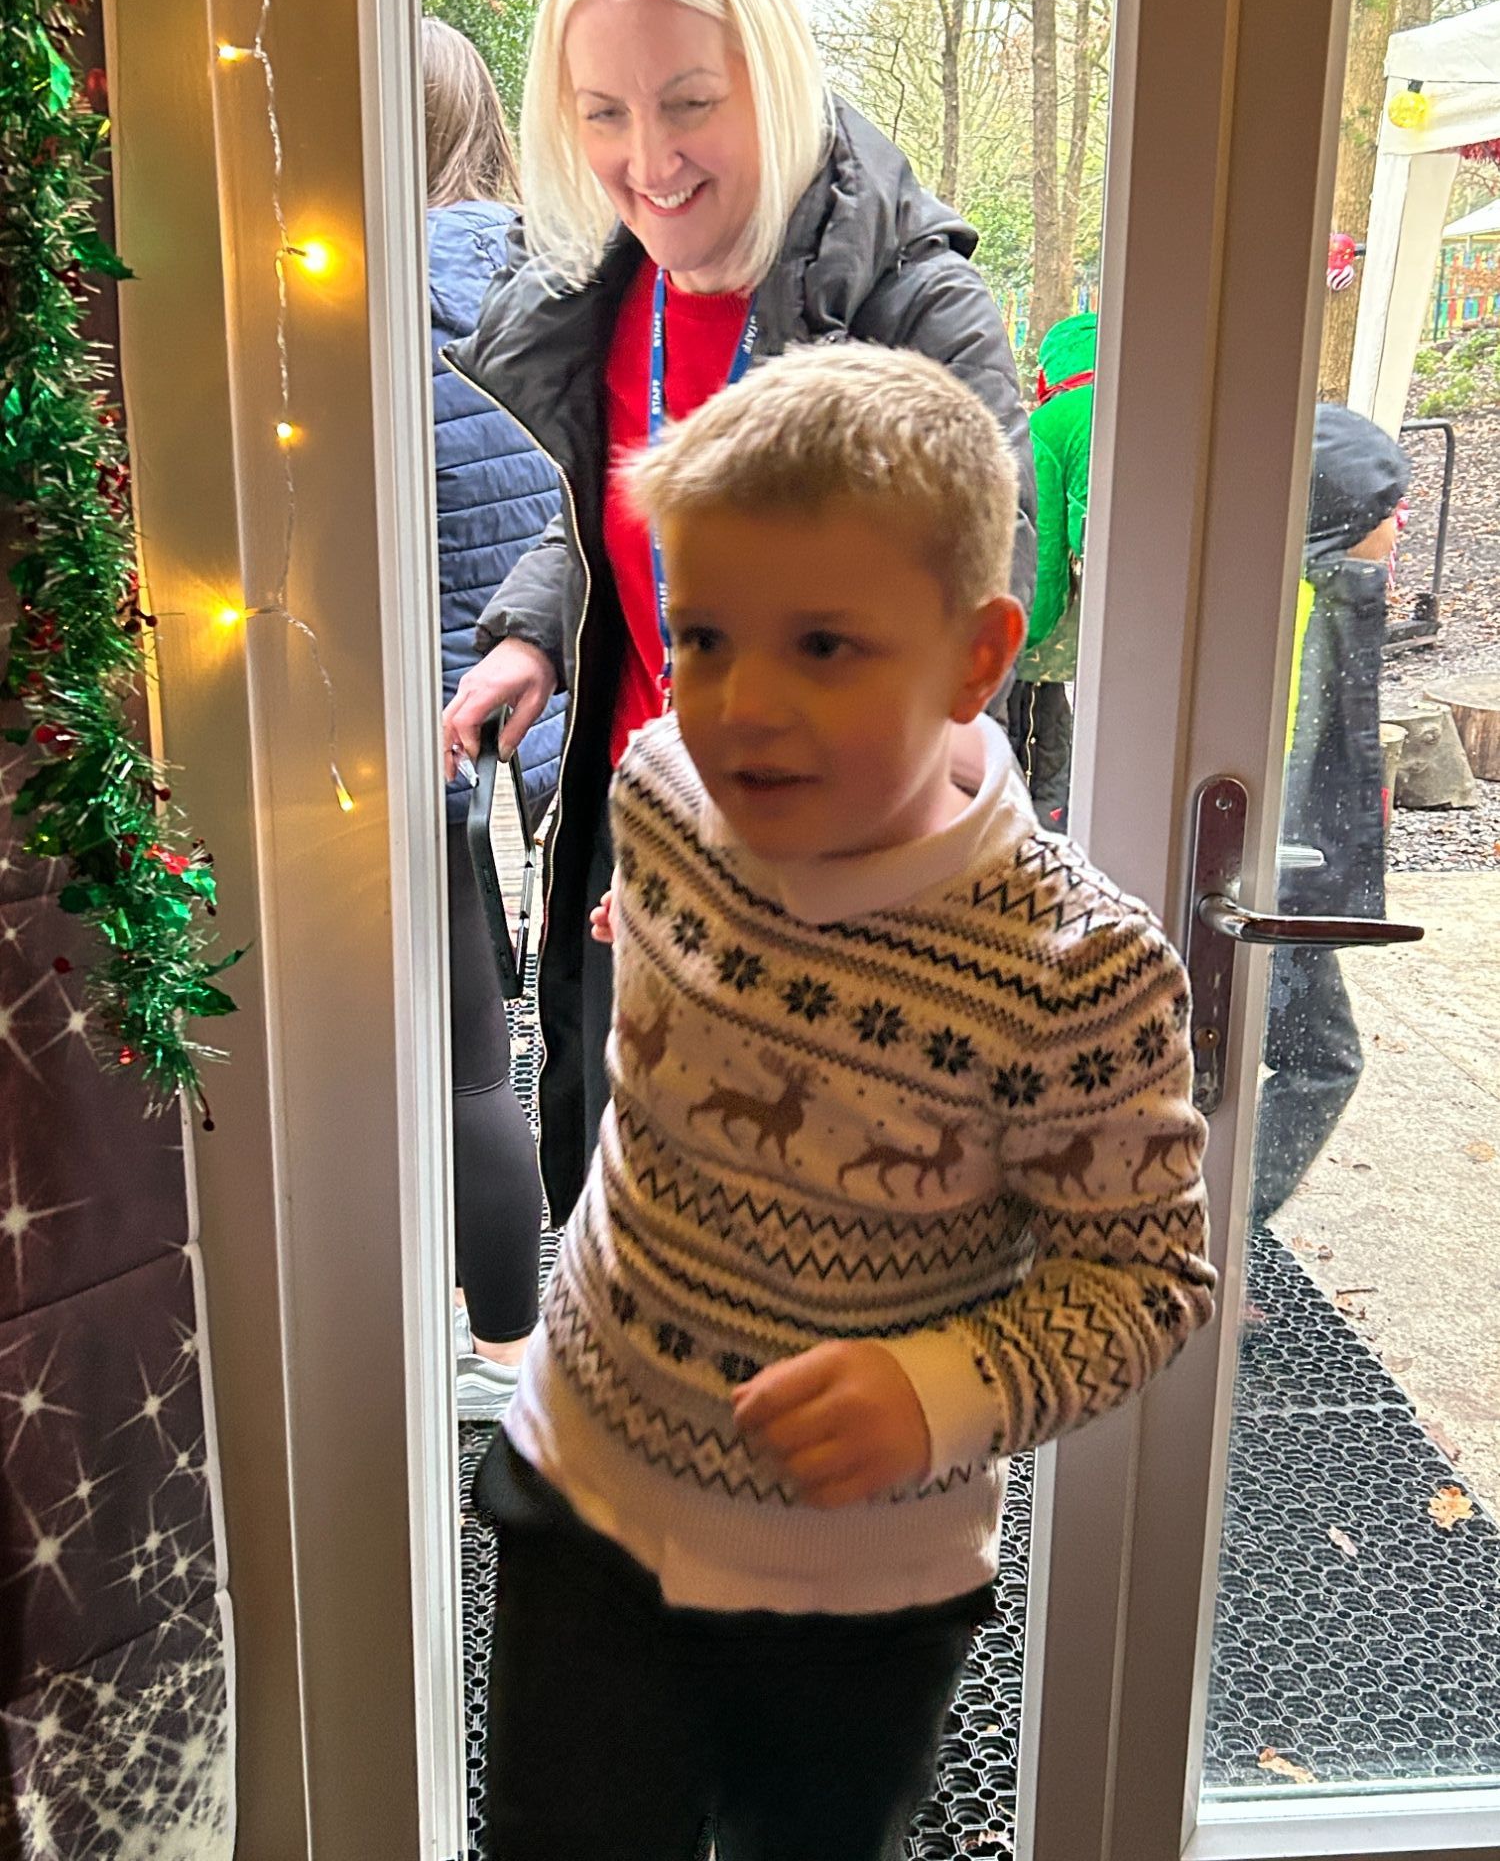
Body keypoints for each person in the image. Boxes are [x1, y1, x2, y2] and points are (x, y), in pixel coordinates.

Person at [477, 343, 1217, 1861]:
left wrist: (940, 1389)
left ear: (976, 656)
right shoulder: (661, 788)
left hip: (849, 1594)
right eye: (700, 634)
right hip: (586, 1481)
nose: (740, 704)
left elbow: (1148, 1281)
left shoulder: (1080, 975)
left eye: (824, 646)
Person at [441, 0, 1039, 1231]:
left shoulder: (912, 306)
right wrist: (539, 630)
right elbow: (630, 512)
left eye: (689, 101)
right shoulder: (613, 284)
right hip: (633, 869)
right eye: (605, 113)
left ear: (769, 74)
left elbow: (963, 635)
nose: (648, 159)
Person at [423, 17, 564, 1414]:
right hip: (577, 705)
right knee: (558, 1041)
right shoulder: (555, 276)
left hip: (434, 720)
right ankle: (548, 1339)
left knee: (466, 1063)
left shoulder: (342, 302)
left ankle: (498, 1358)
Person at [1253, 402, 1408, 1220]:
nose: (1399, 531)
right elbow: (1297, 762)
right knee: (1323, 1060)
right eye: (1389, 511)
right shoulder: (1323, 602)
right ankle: (1215, 1237)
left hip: (1259, 877)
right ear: (1344, 516)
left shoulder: (1277, 585)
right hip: (1266, 883)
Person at [1007, 310, 1096, 829]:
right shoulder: (1129, 406)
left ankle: (1032, 810)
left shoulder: (1049, 422)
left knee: (1030, 697)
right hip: (1104, 601)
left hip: (1054, 601)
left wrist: (1029, 620)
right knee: (1063, 706)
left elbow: (1041, 531)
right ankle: (1060, 800)